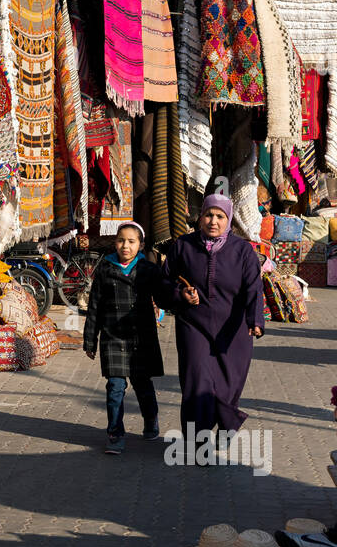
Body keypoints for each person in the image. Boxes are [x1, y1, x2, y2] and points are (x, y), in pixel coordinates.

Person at [163, 193, 264, 453]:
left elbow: (254, 287)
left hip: (234, 330)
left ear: (228, 219)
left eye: (220, 216)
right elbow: (163, 282)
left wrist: (255, 319)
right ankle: (198, 444)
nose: (213, 221)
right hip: (193, 325)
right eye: (208, 214)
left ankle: (228, 425)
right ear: (200, 216)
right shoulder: (182, 246)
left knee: (227, 387)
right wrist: (179, 294)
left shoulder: (243, 251)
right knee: (197, 384)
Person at [83, 222, 174, 454]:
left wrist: (180, 296)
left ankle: (150, 419)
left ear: (140, 245)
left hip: (140, 338)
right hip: (112, 337)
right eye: (121, 240)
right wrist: (90, 340)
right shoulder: (105, 268)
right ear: (115, 243)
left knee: (143, 385)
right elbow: (94, 306)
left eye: (131, 241)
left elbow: (164, 297)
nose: (125, 246)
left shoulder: (148, 269)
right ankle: (115, 434)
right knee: (115, 388)